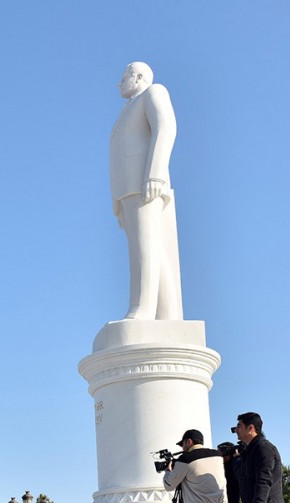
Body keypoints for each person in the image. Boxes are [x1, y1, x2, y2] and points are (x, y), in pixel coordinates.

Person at [109, 62, 183, 320]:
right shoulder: (128, 109)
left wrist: (155, 174)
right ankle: (168, 314)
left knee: (146, 247)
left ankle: (142, 308)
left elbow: (166, 128)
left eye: (124, 77)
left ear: (138, 77)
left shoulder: (154, 93)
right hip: (128, 188)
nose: (120, 83)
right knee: (150, 247)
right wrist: (116, 201)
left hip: (144, 181)